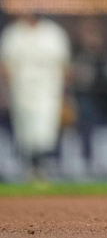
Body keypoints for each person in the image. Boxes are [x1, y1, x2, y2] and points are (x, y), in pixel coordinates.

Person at [0, 12, 72, 181]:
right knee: (25, 134)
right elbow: (4, 66)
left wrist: (67, 95)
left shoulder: (53, 33)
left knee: (45, 132)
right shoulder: (13, 34)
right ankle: (31, 170)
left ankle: (39, 169)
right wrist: (5, 91)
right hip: (21, 90)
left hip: (48, 90)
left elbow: (64, 66)